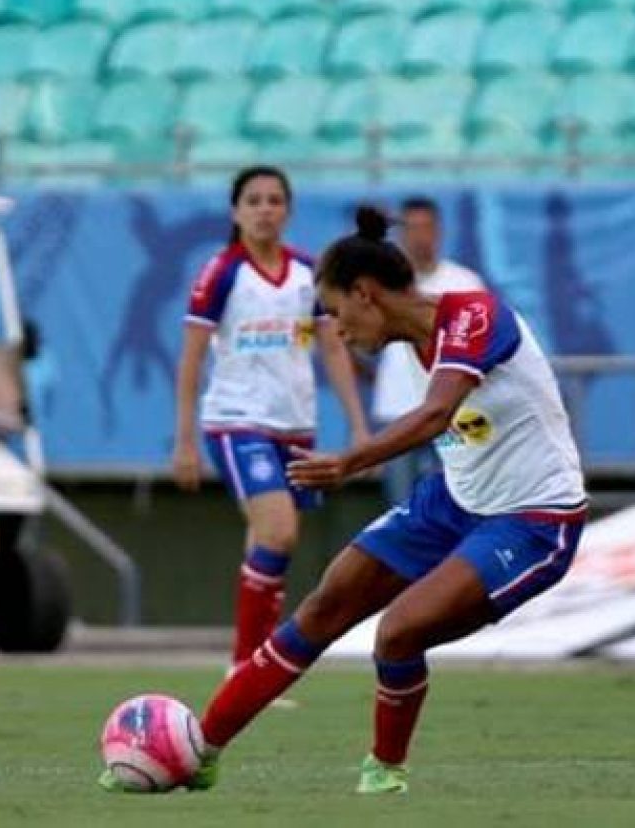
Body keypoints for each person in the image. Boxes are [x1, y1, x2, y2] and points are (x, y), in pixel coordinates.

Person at [101, 206, 587, 795]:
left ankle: (385, 775)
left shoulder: (474, 314)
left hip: (534, 519)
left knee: (398, 632)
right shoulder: (412, 336)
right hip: (455, 501)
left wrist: (349, 461)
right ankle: (201, 748)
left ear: (365, 294)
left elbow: (437, 415)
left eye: (334, 313)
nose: (336, 329)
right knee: (325, 604)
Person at [170, 165, 369, 675]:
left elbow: (333, 348)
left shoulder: (308, 273)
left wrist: (359, 427)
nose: (264, 209)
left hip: (295, 425)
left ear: (288, 210)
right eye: (253, 200)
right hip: (238, 421)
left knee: (266, 541)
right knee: (279, 533)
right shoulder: (222, 272)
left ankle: (248, 664)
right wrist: (185, 440)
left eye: (274, 200)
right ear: (236, 211)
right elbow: (192, 357)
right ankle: (253, 666)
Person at [370, 197, 484, 503]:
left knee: (456, 503)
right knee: (402, 508)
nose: (421, 237)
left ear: (439, 232)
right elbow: (352, 339)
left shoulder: (464, 283)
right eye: (413, 229)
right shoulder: (381, 285)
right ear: (401, 235)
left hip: (452, 412)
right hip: (398, 410)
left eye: (427, 228)